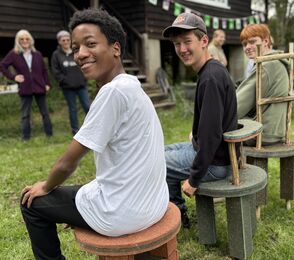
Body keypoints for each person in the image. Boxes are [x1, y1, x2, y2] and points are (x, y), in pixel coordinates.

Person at [20, 8, 169, 259]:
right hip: (153, 201)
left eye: (90, 44)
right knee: (74, 195)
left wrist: (46, 186)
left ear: (116, 48)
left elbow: (68, 163)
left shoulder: (112, 92)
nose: (81, 54)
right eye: (76, 48)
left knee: (31, 203)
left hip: (123, 213)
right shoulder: (131, 84)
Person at [162, 13, 239, 228]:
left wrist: (195, 178)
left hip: (216, 163)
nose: (182, 49)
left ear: (204, 41)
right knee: (159, 152)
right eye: (177, 44)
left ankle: (177, 216)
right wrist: (196, 135)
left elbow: (212, 135)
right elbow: (211, 125)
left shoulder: (211, 78)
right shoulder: (210, 71)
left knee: (158, 163)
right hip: (211, 152)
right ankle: (174, 211)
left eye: (187, 42)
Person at [237, 24, 288, 146]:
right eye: (244, 44)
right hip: (276, 130)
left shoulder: (266, 65)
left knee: (214, 131)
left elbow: (237, 106)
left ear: (265, 41)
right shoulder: (276, 61)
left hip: (262, 132)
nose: (247, 47)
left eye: (252, 42)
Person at [0, 29, 53, 141]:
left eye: (27, 38)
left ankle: (50, 135)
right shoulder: (14, 54)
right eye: (22, 39)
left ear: (30, 40)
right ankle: (25, 138)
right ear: (18, 41)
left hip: (39, 87)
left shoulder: (37, 54)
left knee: (45, 113)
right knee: (25, 115)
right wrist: (14, 77)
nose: (25, 41)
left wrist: (47, 84)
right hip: (25, 88)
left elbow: (44, 70)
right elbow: (2, 66)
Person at [51, 30, 90, 135]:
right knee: (72, 109)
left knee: (87, 106)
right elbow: (55, 71)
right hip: (68, 88)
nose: (66, 42)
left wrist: (84, 77)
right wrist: (64, 80)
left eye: (68, 39)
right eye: (63, 40)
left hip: (81, 85)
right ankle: (75, 131)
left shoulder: (76, 51)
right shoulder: (56, 55)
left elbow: (84, 64)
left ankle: (92, 128)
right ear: (59, 42)